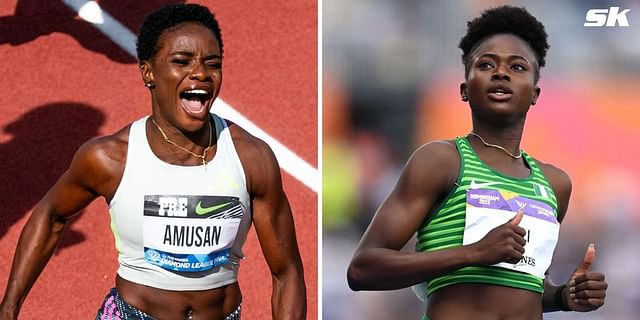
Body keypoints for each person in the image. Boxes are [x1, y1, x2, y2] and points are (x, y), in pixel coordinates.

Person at [0, 3, 306, 320]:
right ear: (149, 72)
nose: (200, 73)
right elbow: (51, 214)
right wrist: (8, 308)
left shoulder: (251, 158)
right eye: (181, 61)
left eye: (212, 64)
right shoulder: (110, 158)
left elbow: (286, 272)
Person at [347, 5, 607, 320]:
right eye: (486, 65)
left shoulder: (554, 184)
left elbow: (528, 288)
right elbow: (362, 269)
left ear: (535, 93)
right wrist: (474, 253)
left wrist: (565, 296)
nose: (501, 73)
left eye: (518, 67)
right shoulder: (441, 161)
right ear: (464, 90)